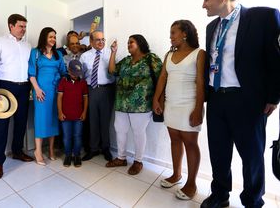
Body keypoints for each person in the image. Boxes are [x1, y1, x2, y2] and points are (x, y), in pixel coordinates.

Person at [201, 0, 280, 208]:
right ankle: (220, 195)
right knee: (218, 153)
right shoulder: (211, 27)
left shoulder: (263, 17)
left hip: (248, 102)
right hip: (216, 100)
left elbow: (276, 61)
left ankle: (253, 201)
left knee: (252, 157)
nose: (203, 3)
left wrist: (273, 97)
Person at [152, 20, 205, 200]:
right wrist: (156, 99)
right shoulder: (169, 54)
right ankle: (176, 175)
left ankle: (191, 183)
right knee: (174, 139)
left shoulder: (199, 53)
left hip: (190, 104)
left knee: (190, 143)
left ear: (185, 33)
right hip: (171, 104)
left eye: (173, 32)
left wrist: (198, 109)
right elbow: (162, 78)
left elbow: (200, 82)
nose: (170, 36)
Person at [0, 14, 34, 180]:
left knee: (21, 122)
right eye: (21, 26)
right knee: (2, 124)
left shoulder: (28, 45)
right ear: (10, 26)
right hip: (4, 87)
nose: (24, 29)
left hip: (24, 87)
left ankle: (18, 152)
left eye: (25, 27)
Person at [106, 35, 162, 175]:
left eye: (131, 42)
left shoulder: (151, 59)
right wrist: (113, 52)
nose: (128, 44)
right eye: (128, 42)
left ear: (140, 43)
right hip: (121, 103)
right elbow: (112, 71)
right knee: (120, 130)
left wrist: (159, 100)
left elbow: (162, 78)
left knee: (138, 132)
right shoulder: (126, 60)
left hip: (141, 104)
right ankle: (121, 158)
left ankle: (138, 161)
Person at [28, 27, 67, 165]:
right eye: (51, 36)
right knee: (40, 119)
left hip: (55, 92)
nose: (53, 39)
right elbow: (31, 74)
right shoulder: (35, 53)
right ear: (44, 37)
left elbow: (64, 72)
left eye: (55, 37)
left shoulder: (58, 55)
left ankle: (51, 150)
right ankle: (38, 151)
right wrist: (37, 89)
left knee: (53, 120)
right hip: (41, 92)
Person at [79, 30, 115, 161]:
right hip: (90, 90)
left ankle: (106, 148)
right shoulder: (84, 56)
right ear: (91, 41)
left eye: (103, 39)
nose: (101, 42)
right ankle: (93, 149)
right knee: (92, 120)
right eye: (98, 40)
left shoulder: (110, 53)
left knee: (105, 121)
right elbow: (81, 76)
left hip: (106, 90)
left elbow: (114, 72)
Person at [57, 60, 88, 167]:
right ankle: (68, 155)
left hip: (78, 116)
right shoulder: (63, 81)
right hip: (65, 116)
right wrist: (60, 112)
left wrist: (84, 112)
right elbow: (59, 97)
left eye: (77, 74)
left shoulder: (83, 83)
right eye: (74, 73)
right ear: (69, 70)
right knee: (66, 136)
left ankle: (77, 155)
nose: (75, 76)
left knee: (78, 136)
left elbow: (85, 98)